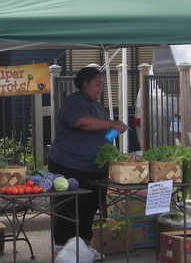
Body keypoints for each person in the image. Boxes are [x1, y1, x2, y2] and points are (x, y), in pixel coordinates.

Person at [48, 66, 128, 260]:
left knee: (91, 207)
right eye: (97, 84)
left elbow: (100, 132)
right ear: (85, 84)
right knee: (72, 208)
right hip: (71, 163)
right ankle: (61, 248)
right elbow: (82, 122)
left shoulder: (97, 106)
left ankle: (83, 246)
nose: (100, 89)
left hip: (94, 166)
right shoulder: (75, 101)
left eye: (102, 85)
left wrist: (113, 132)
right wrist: (111, 124)